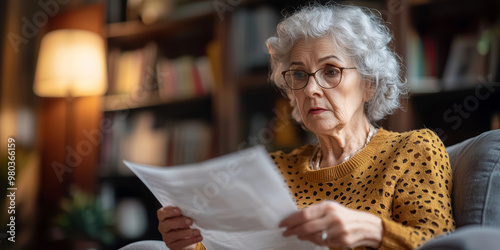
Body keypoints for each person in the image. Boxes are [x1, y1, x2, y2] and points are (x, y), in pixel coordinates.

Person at [155, 3, 455, 250]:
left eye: (331, 71)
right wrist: (187, 244)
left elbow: (445, 245)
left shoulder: (412, 150)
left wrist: (374, 231)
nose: (311, 89)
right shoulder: (272, 170)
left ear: (369, 84)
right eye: (299, 75)